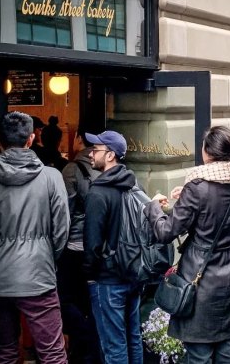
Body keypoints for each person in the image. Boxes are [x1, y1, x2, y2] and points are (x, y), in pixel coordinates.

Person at [0, 111, 69, 364]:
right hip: (38, 277)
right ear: (32, 139)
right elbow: (61, 231)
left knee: (5, 351)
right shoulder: (52, 178)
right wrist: (45, 258)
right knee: (52, 352)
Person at [145, 126, 230, 364]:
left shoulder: (198, 186)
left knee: (199, 354)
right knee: (225, 348)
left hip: (200, 280)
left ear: (207, 151)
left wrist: (153, 208)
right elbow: (216, 214)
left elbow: (166, 232)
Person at [82, 130, 142, 364]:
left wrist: (89, 274)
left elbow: (92, 242)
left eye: (95, 150)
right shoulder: (134, 184)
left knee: (113, 346)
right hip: (133, 273)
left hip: (107, 278)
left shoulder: (98, 192)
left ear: (110, 156)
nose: (90, 154)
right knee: (133, 338)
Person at [59, 127, 102, 363]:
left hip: (74, 247)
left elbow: (63, 212)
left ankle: (83, 341)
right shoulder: (107, 169)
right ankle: (90, 348)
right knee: (91, 300)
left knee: (65, 299)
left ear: (78, 140)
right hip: (97, 248)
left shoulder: (71, 169)